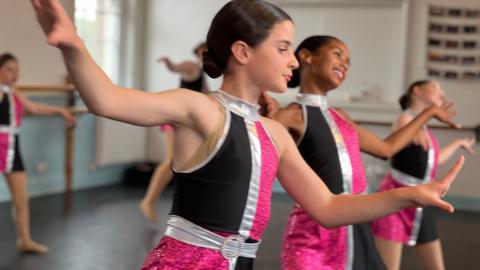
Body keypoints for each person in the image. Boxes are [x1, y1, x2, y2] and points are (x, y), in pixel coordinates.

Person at [31, 0, 464, 269]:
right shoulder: (199, 109)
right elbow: (107, 100)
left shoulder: (273, 133)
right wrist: (73, 44)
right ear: (242, 51)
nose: (293, 61)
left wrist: (409, 195)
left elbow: (330, 207)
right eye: (282, 48)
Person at [268, 35, 461, 270]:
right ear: (307, 56)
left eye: (348, 61)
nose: (344, 64)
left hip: (356, 228)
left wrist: (428, 113)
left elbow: (386, 149)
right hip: (315, 235)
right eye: (337, 54)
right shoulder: (289, 117)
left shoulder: (341, 116)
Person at [371, 80, 476, 270]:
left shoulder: (422, 125)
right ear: (417, 91)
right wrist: (430, 114)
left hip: (421, 202)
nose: (441, 93)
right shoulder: (405, 119)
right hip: (396, 202)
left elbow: (435, 159)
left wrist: (458, 143)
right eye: (436, 88)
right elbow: (395, 140)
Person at [0, 52, 76, 254]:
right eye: (9, 69)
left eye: (17, 70)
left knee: (22, 199)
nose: (14, 74)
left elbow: (34, 107)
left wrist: (60, 111)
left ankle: (24, 240)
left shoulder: (13, 92)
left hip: (13, 148)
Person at [139, 43, 208, 223]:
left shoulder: (202, 73)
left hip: (186, 122)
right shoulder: (191, 66)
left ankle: (190, 206)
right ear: (198, 53)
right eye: (203, 52)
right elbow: (176, 68)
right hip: (176, 120)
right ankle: (148, 201)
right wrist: (168, 63)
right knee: (170, 161)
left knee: (188, 162)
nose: (205, 55)